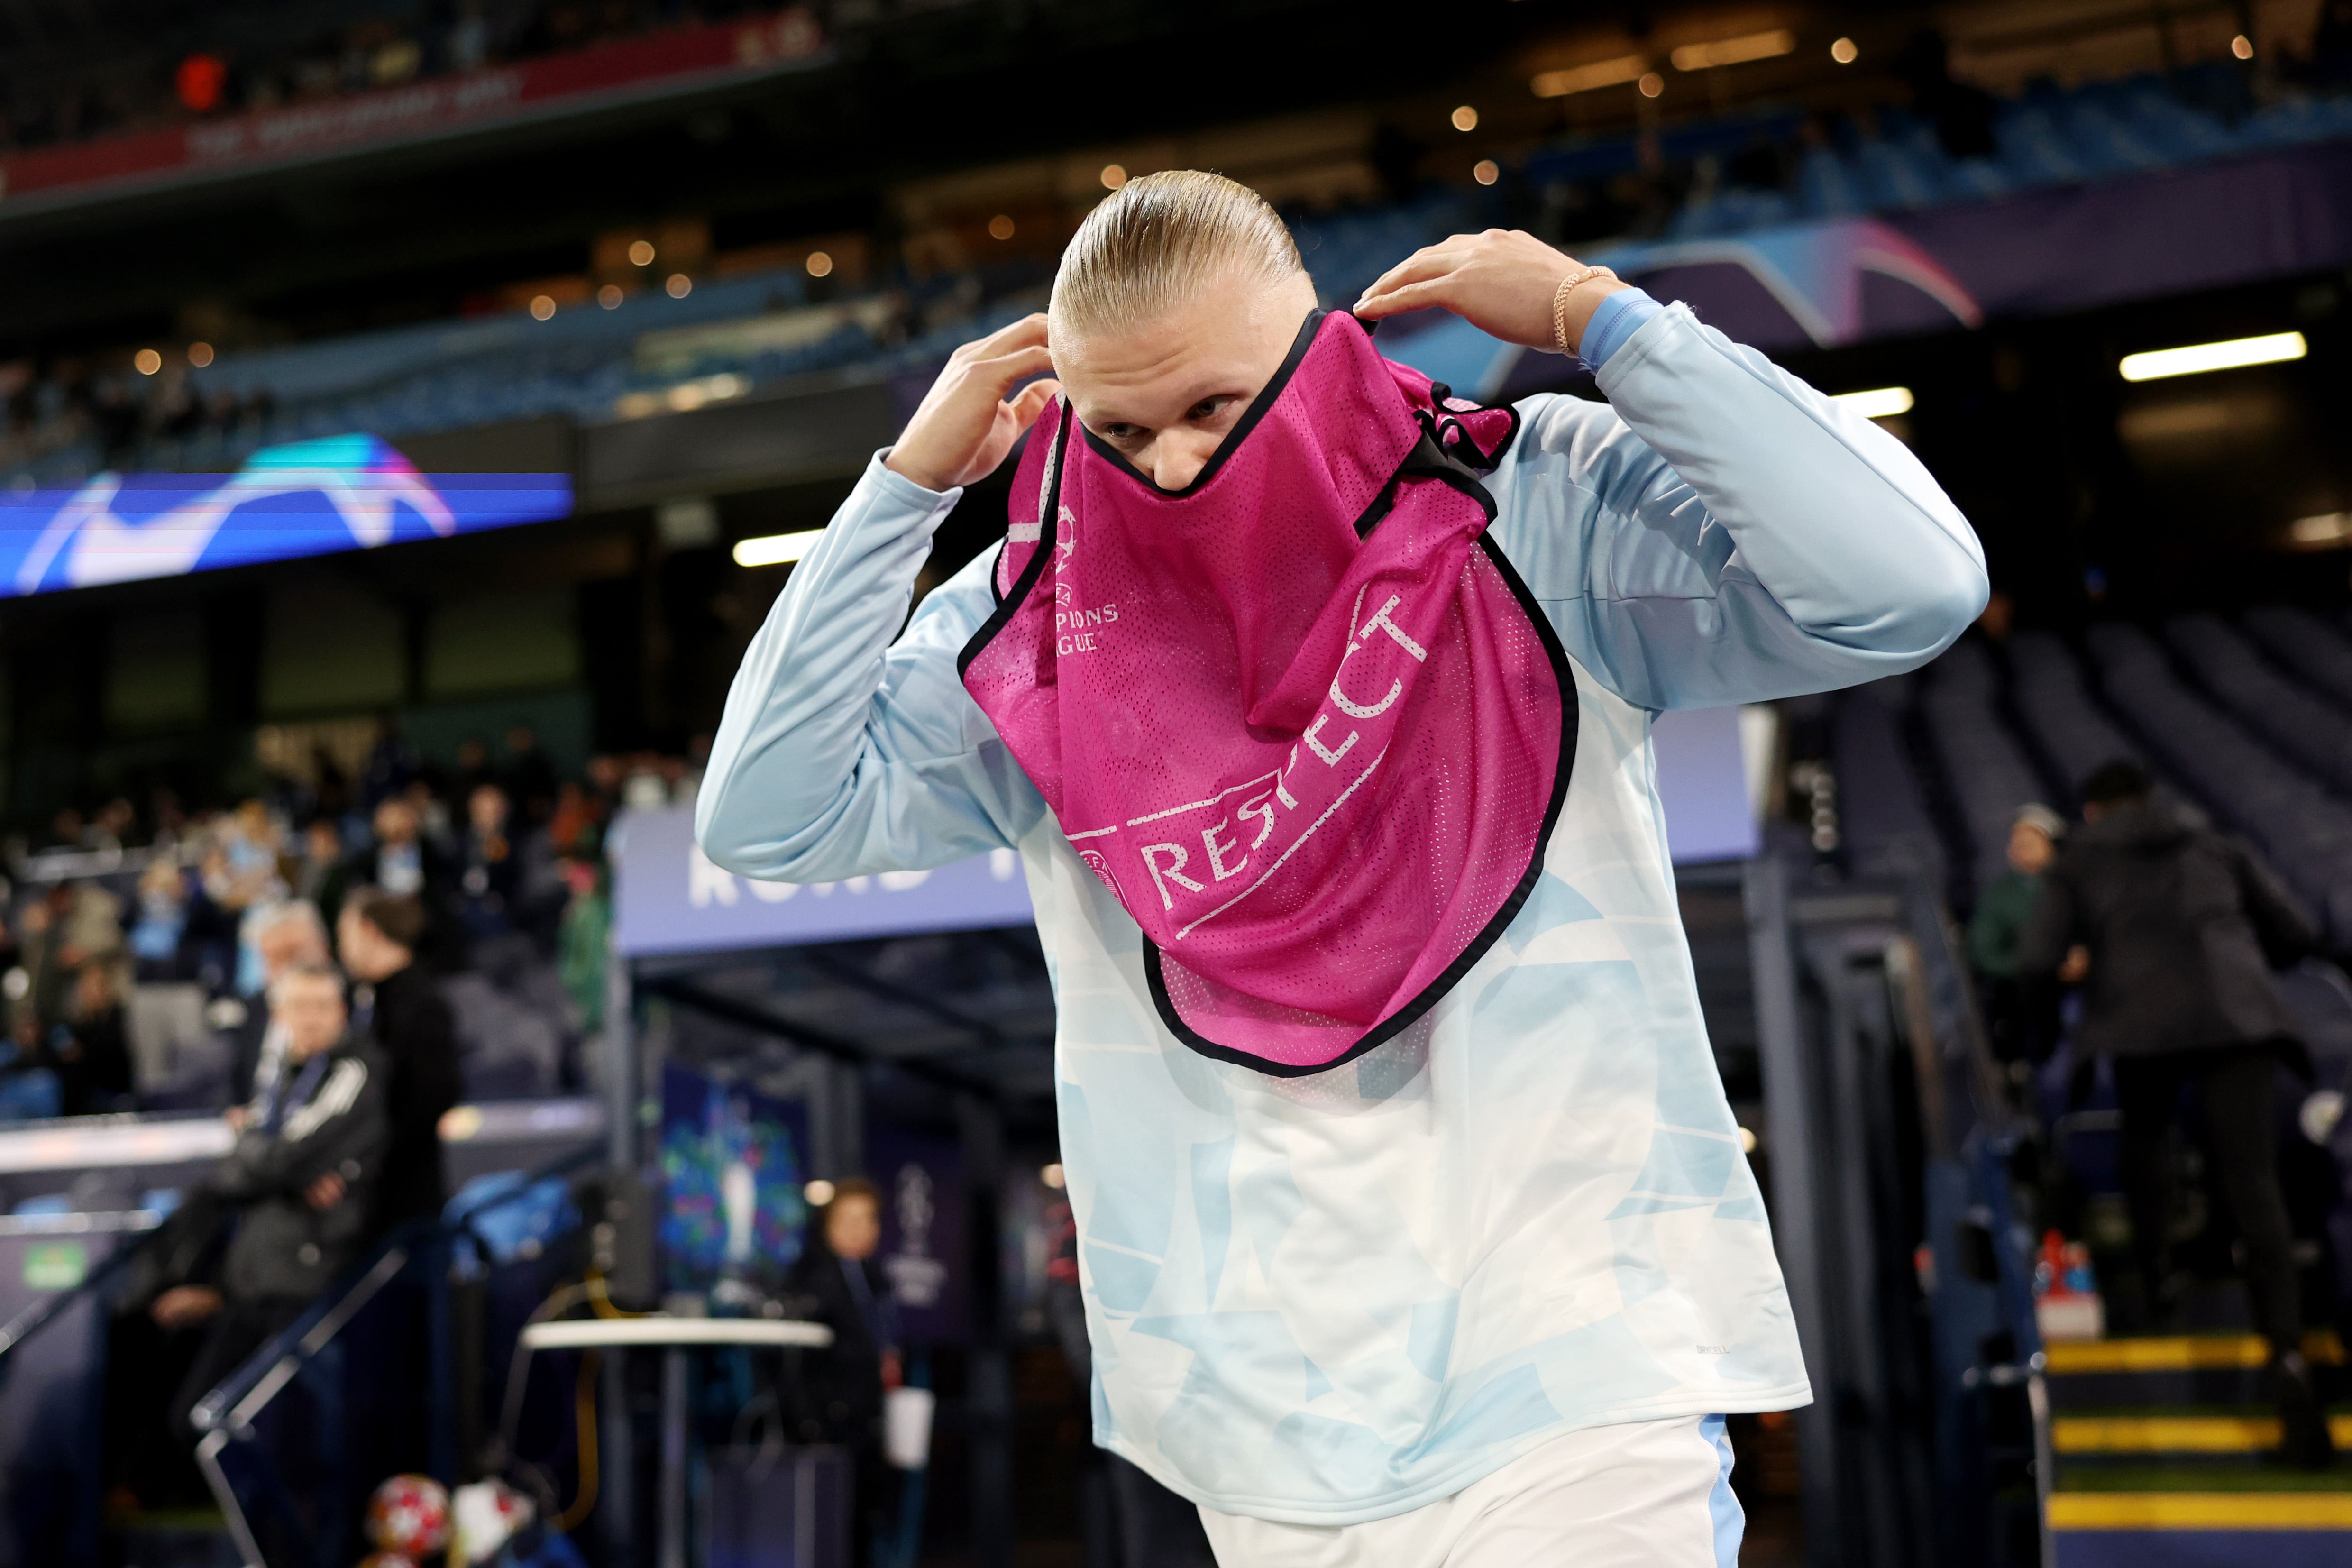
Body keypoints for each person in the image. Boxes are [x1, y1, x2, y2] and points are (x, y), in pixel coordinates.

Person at [698, 172, 1986, 1560]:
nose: (1176, 464)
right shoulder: (1038, 618)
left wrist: (1607, 322)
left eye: (1214, 404)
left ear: (1317, 345)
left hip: (1577, 1376)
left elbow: (1903, 585)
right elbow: (767, 817)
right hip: (1263, 1424)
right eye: (1122, 426)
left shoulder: (1525, 500)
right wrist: (898, 497)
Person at [2017, 758, 2331, 1467]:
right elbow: (2292, 932)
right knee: (2256, 1187)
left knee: (2145, 1139)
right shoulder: (2211, 839)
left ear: (2094, 811)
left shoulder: (2080, 858)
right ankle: (2290, 1367)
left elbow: (2036, 957)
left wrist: (2038, 1037)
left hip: (2138, 1019)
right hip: (2236, 1011)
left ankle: (2157, 1287)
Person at [141, 963, 391, 1447]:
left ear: (343, 1012)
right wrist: (270, 1163)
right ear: (279, 1014)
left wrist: (255, 1150)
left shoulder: (355, 1070)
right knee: (194, 1419)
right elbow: (253, 1169)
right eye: (300, 1006)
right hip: (250, 1280)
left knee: (280, 1433)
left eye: (324, 1006)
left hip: (309, 1283)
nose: (312, 1018)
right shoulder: (274, 1075)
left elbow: (275, 1162)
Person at [789, 1180, 900, 1566]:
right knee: (831, 1528)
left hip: (872, 1419)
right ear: (827, 1224)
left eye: (866, 1219)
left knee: (870, 1524)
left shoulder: (877, 1278)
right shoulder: (811, 1276)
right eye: (847, 1219)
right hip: (831, 1425)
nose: (858, 1229)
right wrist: (812, 1424)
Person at [337, 889, 461, 1231]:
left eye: (346, 934)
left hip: (405, 1194)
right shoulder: (366, 999)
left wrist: (371, 1148)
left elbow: (436, 1093)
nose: (342, 948)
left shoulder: (422, 1005)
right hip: (369, 1187)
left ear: (371, 932)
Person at [1967, 802, 2073, 1063]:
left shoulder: (2075, 885)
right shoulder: (2000, 894)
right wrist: (2040, 965)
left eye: (2030, 839)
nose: (2018, 846)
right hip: (2024, 993)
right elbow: (1984, 953)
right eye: (2016, 840)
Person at [226, 900, 333, 1106]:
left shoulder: (355, 1009)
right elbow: (239, 1086)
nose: (287, 970)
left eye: (294, 954)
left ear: (324, 949)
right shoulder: (255, 1008)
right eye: (275, 959)